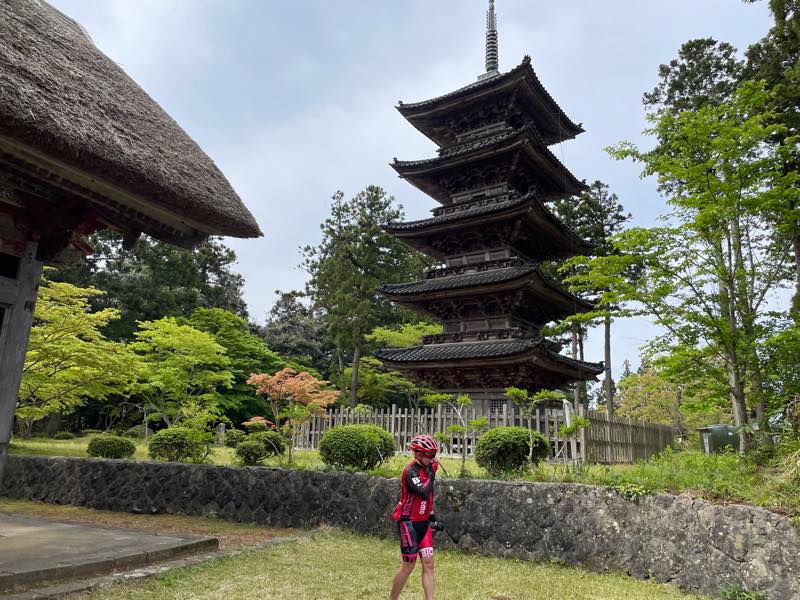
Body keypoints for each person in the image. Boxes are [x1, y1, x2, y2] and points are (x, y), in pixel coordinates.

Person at [389, 434, 444, 600]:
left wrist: (431, 516)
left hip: (423, 522)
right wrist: (431, 475)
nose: (433, 459)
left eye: (434, 455)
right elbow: (423, 492)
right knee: (409, 564)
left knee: (429, 563)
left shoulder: (430, 466)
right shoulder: (410, 471)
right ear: (418, 454)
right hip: (408, 523)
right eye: (430, 455)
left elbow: (429, 496)